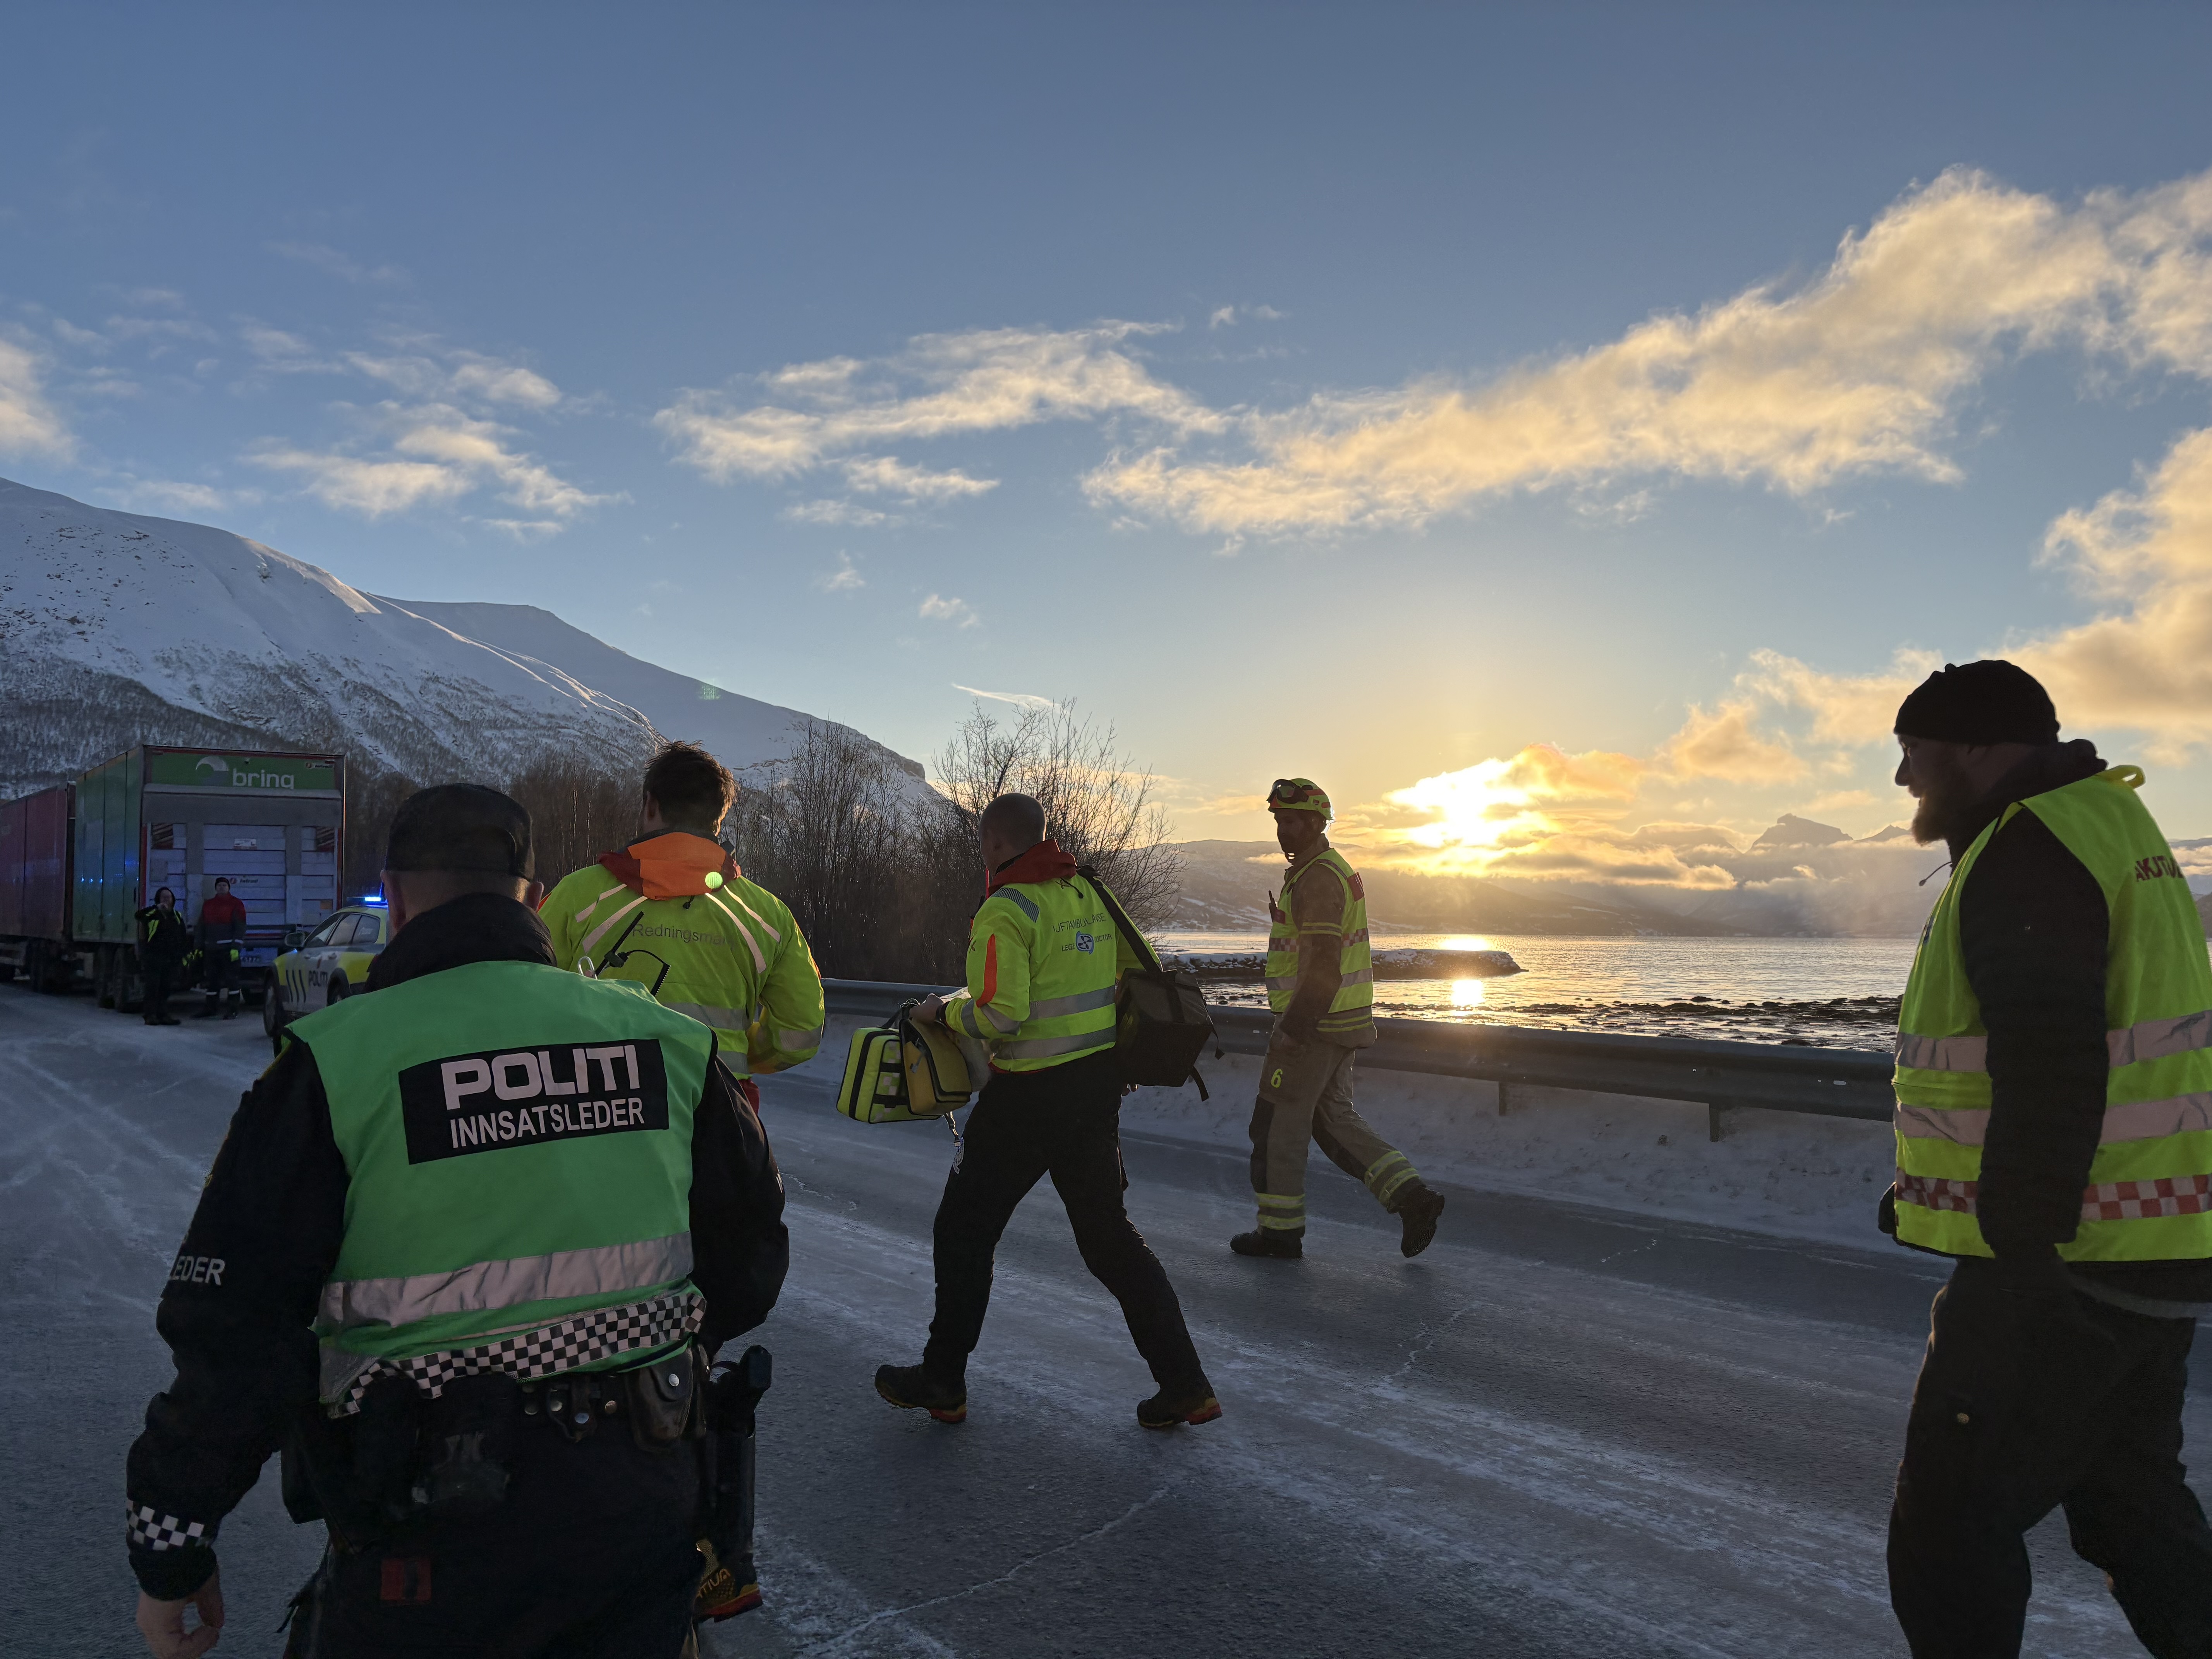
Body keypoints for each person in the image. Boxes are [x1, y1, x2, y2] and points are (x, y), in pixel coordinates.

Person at [124, 784, 789, 1659]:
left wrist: (171, 1534)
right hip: (639, 1507)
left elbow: (237, 1331)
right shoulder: (665, 1043)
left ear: (395, 898)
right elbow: (747, 1271)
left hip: (425, 1529)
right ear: (538, 899)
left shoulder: (336, 1061)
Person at [1882, 660, 2212, 1657]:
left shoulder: (2029, 852)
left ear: (1980, 748)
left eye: (1916, 755)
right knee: (2131, 1511)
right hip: (2145, 1245)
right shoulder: (2106, 827)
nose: (1905, 782)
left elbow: (2052, 1060)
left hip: (2067, 1268)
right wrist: (1928, 1195)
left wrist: (2022, 1250)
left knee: (1948, 1529)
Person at [874, 793, 1220, 1431]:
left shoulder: (1005, 908)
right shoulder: (1087, 892)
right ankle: (1184, 1382)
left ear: (994, 843)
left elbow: (1000, 1015)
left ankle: (943, 1379)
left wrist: (939, 1011)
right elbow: (1137, 968)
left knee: (964, 1231)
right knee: (1109, 1238)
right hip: (1094, 1092)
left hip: (1026, 1099)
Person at [1231, 778, 1446, 1261]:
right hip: (1339, 1025)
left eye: (1290, 822)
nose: (1282, 832)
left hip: (1315, 1029)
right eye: (1278, 822)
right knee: (1333, 1123)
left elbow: (1324, 965)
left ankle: (1279, 1234)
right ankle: (1414, 1200)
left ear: (1315, 823)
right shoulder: (1320, 872)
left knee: (1276, 1128)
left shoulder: (1319, 879)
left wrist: (1292, 1030)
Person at [541, 740, 824, 1098]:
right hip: (720, 1112)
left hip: (603, 1111)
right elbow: (800, 1032)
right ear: (718, 820)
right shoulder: (768, 915)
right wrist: (730, 1050)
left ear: (650, 805)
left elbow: (524, 998)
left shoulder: (578, 895)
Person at [135, 886, 191, 1027]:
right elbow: (139, 916)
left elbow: (183, 937)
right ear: (159, 900)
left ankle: (163, 1014)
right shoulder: (152, 914)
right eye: (163, 897)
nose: (166, 900)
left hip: (170, 958)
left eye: (169, 897)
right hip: (154, 957)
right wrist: (157, 908)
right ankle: (150, 1015)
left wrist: (182, 955)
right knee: (153, 987)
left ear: (173, 900)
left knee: (166, 987)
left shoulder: (177, 916)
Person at [194, 877, 248, 1019]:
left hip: (229, 950)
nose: (222, 887)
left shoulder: (236, 904)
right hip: (211, 950)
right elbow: (202, 927)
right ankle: (211, 1009)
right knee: (212, 982)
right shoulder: (208, 905)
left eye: (224, 885)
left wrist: (236, 947)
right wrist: (199, 946)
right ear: (216, 888)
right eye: (219, 885)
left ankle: (233, 1010)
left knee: (232, 981)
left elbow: (240, 926)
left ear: (229, 887)